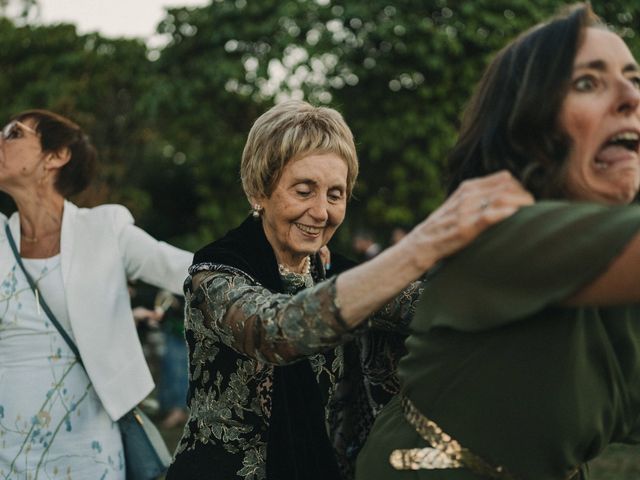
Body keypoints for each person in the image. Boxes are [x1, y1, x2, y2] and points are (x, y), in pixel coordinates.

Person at [167, 100, 533, 480]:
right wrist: (417, 247)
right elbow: (275, 331)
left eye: (335, 194)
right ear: (260, 189)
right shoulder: (215, 276)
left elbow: (431, 305)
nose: (322, 212)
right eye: (304, 191)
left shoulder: (333, 273)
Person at [356, 4, 640, 479]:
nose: (631, 96)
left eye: (634, 78)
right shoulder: (502, 228)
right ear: (529, 123)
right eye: (588, 82)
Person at [0, 110, 192, 479]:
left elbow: (185, 269)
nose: (1, 139)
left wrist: (279, 258)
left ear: (56, 156)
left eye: (14, 133)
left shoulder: (105, 229)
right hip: (8, 453)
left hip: (86, 453)